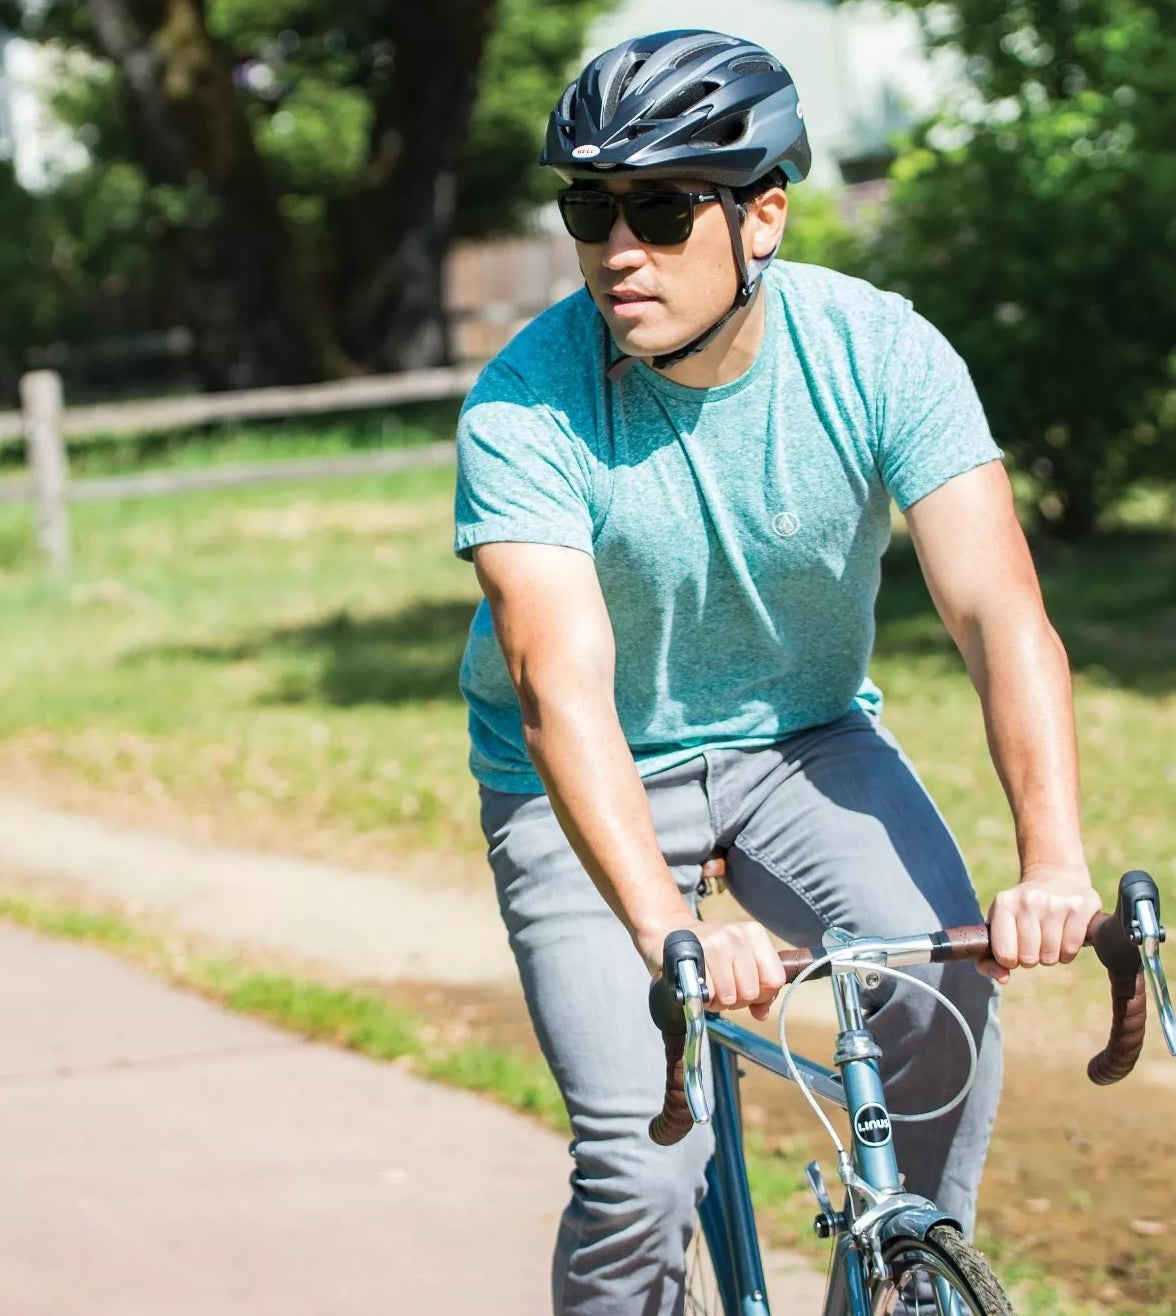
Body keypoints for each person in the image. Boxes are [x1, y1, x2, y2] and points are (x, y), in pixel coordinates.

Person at [452, 29, 1099, 1316]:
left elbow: (998, 611)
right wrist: (667, 925)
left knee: (941, 1004)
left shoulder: (881, 353)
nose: (616, 248)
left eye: (659, 206)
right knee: (645, 1166)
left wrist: (1055, 860)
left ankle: (913, 1275)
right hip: (581, 778)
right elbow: (556, 686)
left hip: (803, 741)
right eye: (590, 206)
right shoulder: (523, 404)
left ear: (764, 217)